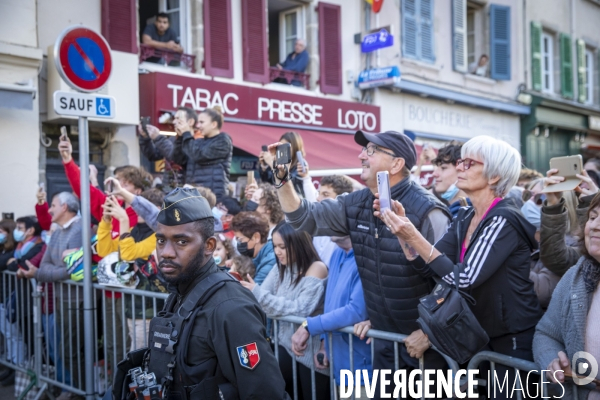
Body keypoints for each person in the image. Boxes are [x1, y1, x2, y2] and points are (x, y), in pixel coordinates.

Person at [272, 130, 451, 400]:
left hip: (424, 348)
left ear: (396, 164)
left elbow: (451, 281)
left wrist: (429, 332)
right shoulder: (355, 203)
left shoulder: (429, 210)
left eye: (371, 150)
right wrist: (282, 180)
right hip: (383, 345)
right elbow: (302, 219)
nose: (361, 155)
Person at [380, 135, 542, 399]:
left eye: (470, 163)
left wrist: (413, 235)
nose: (460, 168)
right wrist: (401, 230)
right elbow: (427, 265)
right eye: (460, 161)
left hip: (512, 339)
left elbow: (464, 278)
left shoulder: (504, 218)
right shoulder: (465, 216)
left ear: (494, 176)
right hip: (478, 335)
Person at [113, 187, 289, 400]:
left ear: (209, 245)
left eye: (182, 241)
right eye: (161, 240)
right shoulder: (180, 292)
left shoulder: (231, 307)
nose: (166, 252)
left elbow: (265, 392)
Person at [241, 222, 329, 400]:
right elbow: (261, 299)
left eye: (282, 246)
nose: (277, 252)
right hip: (284, 347)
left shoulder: (317, 267)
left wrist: (258, 293)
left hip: (311, 355)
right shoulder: (280, 267)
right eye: (274, 246)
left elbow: (300, 309)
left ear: (298, 243)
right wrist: (258, 294)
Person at [533, 192, 600, 400]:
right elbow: (546, 333)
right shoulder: (577, 277)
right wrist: (551, 359)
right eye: (593, 217)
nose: (596, 225)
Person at [291, 234, 371, 397]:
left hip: (362, 370)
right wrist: (323, 344)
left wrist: (309, 326)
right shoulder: (337, 253)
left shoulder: (366, 255)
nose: (327, 223)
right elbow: (331, 303)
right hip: (338, 367)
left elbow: (356, 310)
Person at [22, 192, 83, 400]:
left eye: (53, 205)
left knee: (70, 350)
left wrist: (40, 274)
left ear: (65, 207)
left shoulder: (79, 229)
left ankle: (78, 392)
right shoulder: (57, 232)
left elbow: (71, 271)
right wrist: (49, 271)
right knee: (62, 349)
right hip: (60, 298)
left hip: (76, 300)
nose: (50, 209)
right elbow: (48, 262)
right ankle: (71, 389)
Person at [540, 168, 599, 276]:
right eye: (592, 217)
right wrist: (553, 206)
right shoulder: (585, 262)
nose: (594, 226)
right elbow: (556, 259)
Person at [171, 106, 233, 200]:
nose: (198, 126)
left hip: (213, 197)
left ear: (214, 124)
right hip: (193, 195)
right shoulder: (198, 142)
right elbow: (179, 160)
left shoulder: (223, 141)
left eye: (202, 122)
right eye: (198, 122)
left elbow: (199, 156)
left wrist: (187, 134)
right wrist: (180, 138)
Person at [230, 212, 276, 285]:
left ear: (256, 237)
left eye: (240, 240)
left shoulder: (271, 259)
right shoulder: (257, 254)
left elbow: (254, 290)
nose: (239, 243)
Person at [260, 131, 307, 198]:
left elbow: (288, 184)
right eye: (281, 146)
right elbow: (269, 183)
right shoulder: (281, 162)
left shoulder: (301, 164)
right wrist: (264, 166)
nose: (283, 149)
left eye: (286, 146)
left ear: (295, 147)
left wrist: (271, 163)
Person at [431, 141, 471, 216]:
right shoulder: (441, 208)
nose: (434, 174)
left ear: (461, 170)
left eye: (443, 168)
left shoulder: (471, 214)